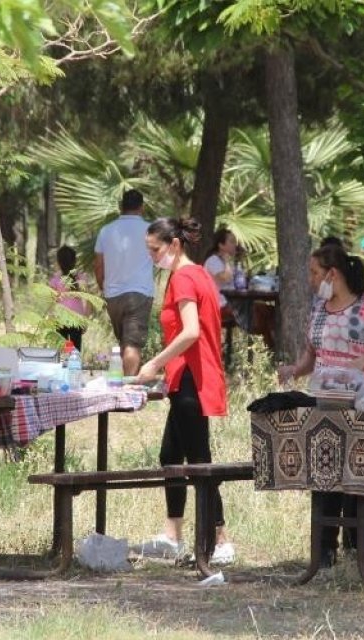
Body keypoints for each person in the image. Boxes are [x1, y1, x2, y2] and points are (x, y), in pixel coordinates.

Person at [277, 242, 364, 566]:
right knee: (324, 473)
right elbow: (312, 355)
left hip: (360, 407)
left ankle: (355, 548)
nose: (311, 278)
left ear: (332, 273)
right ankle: (324, 552)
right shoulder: (319, 308)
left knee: (358, 476)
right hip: (322, 405)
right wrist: (294, 370)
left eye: (314, 272)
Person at [135, 217, 234, 565]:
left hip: (193, 379)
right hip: (185, 378)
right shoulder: (198, 275)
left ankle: (221, 541)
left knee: (200, 463)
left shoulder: (184, 277)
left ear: (175, 245)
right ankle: (173, 534)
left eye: (155, 249)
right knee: (170, 456)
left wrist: (154, 364)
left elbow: (191, 331)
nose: (152, 256)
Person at [94, 189, 154, 375]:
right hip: (140, 293)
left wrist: (103, 287)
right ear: (141, 208)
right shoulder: (151, 231)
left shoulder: (106, 231)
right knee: (132, 344)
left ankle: (123, 385)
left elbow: (98, 265)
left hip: (113, 295)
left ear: (121, 207)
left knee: (124, 343)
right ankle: (127, 390)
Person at [51, 245, 92, 351]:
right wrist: (85, 321)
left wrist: (51, 320)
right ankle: (73, 367)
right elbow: (89, 301)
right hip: (77, 320)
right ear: (74, 260)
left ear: (59, 261)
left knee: (62, 353)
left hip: (60, 320)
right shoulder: (81, 278)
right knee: (75, 354)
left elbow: (52, 303)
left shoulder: (55, 279)